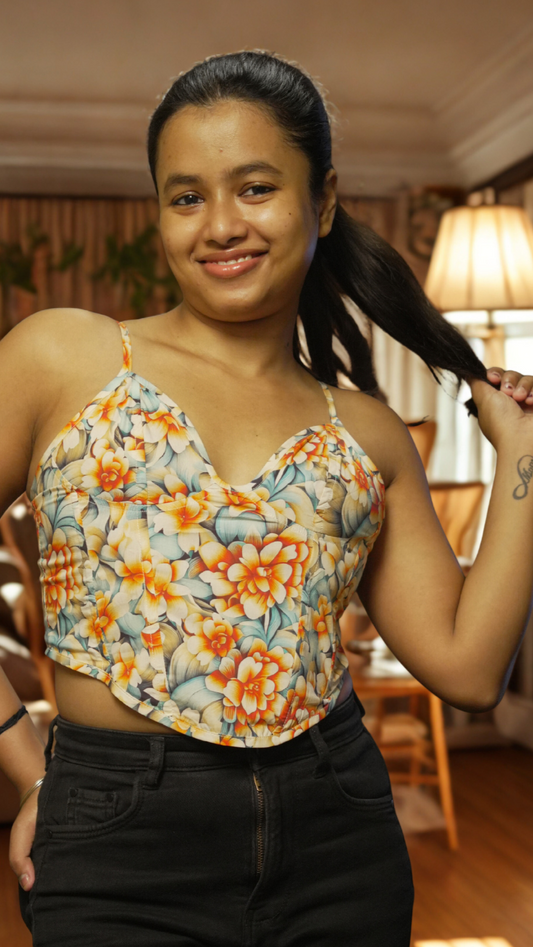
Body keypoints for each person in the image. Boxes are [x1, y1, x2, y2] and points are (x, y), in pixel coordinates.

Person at [2, 50, 533, 947]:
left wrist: (520, 457)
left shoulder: (366, 432)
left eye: (254, 187)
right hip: (115, 839)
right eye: (185, 196)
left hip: (337, 828)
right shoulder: (65, 356)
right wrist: (28, 763)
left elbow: (468, 669)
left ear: (320, 200)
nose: (219, 226)